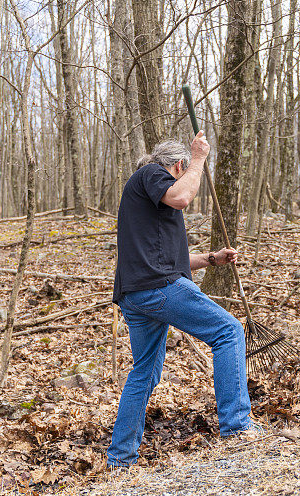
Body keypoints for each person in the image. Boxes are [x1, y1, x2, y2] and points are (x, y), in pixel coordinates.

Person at [107, 131, 261, 469]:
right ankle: (237, 427)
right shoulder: (151, 174)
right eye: (185, 169)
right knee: (228, 331)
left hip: (137, 293)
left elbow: (168, 257)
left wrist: (210, 259)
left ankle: (121, 457)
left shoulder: (146, 199)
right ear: (178, 165)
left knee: (144, 372)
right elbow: (181, 198)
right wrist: (199, 159)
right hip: (158, 288)